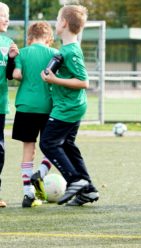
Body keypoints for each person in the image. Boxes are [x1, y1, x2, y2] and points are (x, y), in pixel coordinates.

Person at [39, 5, 99, 206]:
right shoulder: (65, 50)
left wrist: (55, 80)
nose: (56, 23)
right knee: (67, 145)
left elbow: (84, 82)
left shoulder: (71, 51)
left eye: (57, 19)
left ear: (64, 23)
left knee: (47, 142)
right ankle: (88, 190)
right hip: (71, 106)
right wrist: (50, 77)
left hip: (68, 108)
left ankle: (76, 180)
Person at [11, 21, 57, 207]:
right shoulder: (54, 54)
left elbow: (16, 75)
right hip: (48, 107)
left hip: (25, 107)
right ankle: (41, 173)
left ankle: (28, 192)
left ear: (30, 36)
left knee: (28, 148)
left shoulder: (22, 52)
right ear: (48, 38)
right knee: (53, 147)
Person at [0, 2, 19, 208]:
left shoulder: (8, 42)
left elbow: (8, 76)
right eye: (3, 15)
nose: (7, 19)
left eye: (8, 15)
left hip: (0, 104)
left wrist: (12, 59)